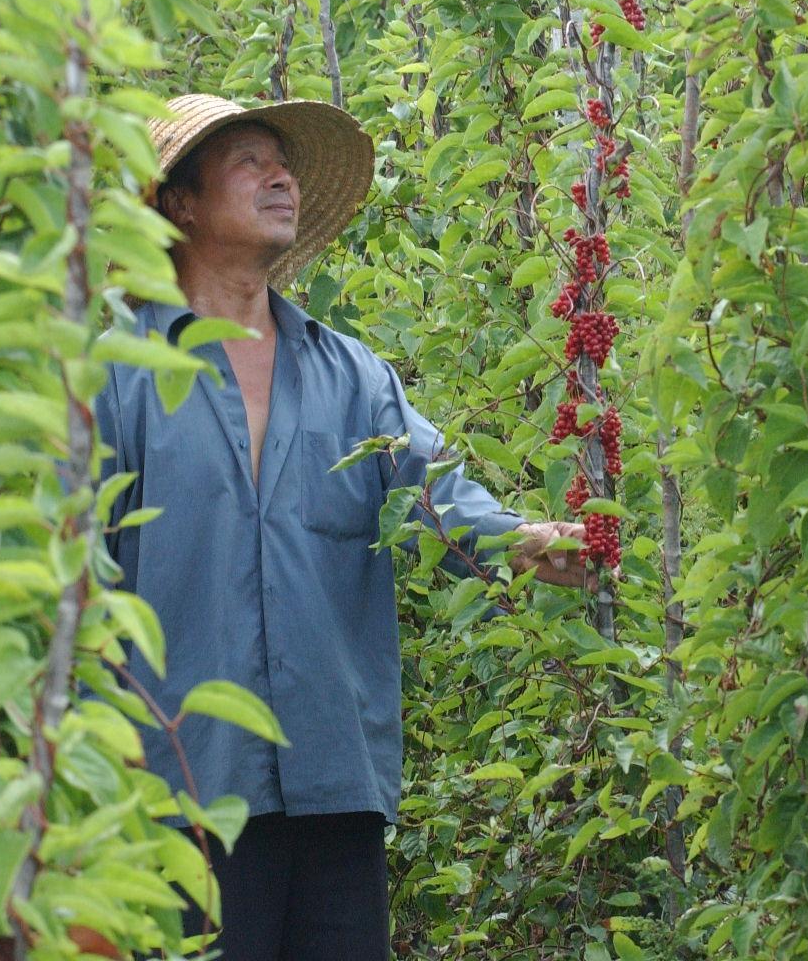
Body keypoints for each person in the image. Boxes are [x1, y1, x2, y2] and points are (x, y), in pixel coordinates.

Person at [89, 92, 595, 959]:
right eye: (251, 161)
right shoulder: (118, 372)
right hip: (178, 784)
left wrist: (520, 541)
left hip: (332, 779)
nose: (281, 176)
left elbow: (432, 491)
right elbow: (78, 573)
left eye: (284, 163)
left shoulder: (349, 374)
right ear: (179, 201)